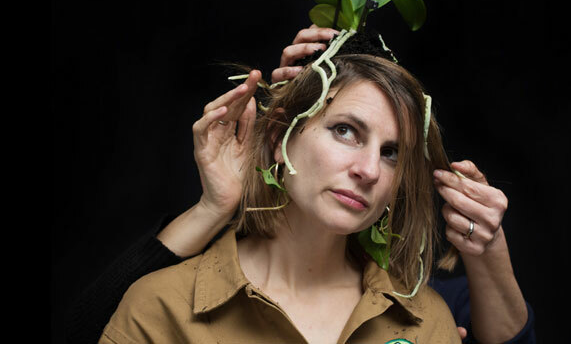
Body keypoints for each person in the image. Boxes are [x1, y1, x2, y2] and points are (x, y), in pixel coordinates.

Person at [68, 26, 535, 344]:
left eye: (391, 152)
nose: (369, 170)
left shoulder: (425, 319)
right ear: (279, 137)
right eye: (345, 130)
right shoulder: (163, 306)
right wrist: (214, 206)